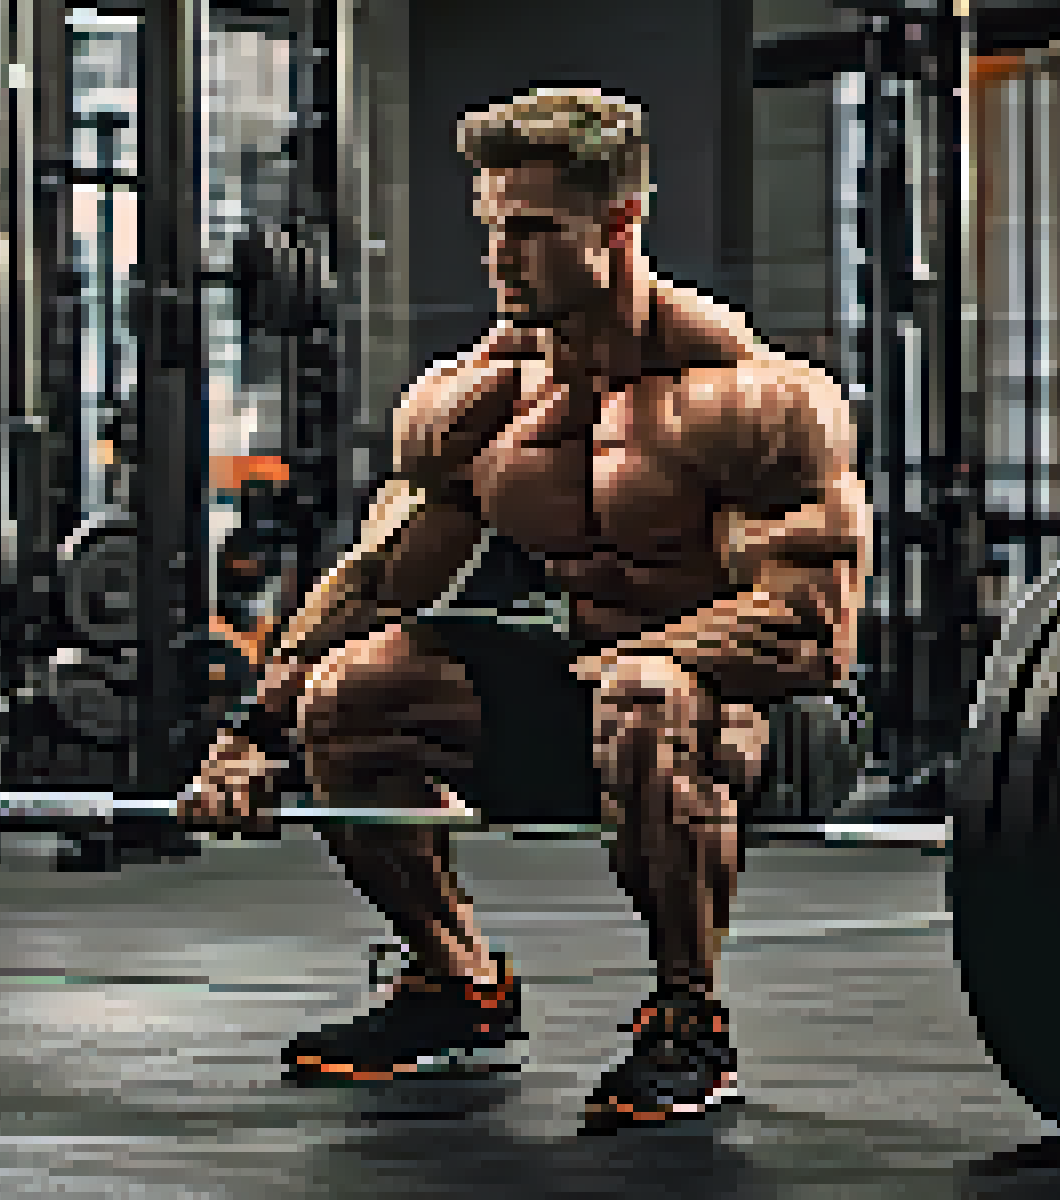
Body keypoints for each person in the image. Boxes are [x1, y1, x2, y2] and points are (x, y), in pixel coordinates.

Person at [179, 86, 872, 1134]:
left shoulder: (747, 400)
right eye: (494, 229)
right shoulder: (480, 403)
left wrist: (646, 665)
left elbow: (812, 632)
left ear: (619, 224)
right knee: (350, 697)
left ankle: (690, 1021)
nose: (503, 259)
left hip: (766, 719)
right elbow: (377, 583)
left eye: (535, 232)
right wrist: (249, 735)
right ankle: (458, 985)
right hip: (593, 694)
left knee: (646, 692)